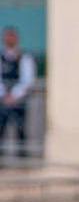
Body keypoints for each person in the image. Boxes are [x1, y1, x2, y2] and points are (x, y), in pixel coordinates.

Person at [0, 24, 35, 161]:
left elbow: (28, 80)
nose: (10, 39)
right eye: (7, 36)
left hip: (19, 102)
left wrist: (14, 95)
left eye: (12, 36)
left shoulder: (25, 57)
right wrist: (4, 95)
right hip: (2, 101)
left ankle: (23, 162)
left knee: (21, 131)